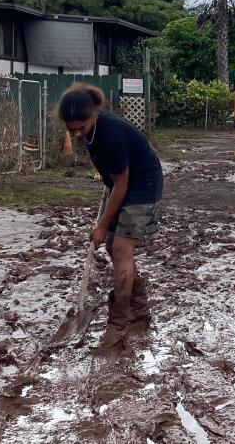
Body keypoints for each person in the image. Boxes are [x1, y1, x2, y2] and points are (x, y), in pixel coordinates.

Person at [59, 83, 163, 350]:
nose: (77, 134)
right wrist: (104, 223)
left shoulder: (111, 134)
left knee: (120, 250)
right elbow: (114, 181)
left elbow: (122, 185)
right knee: (111, 247)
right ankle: (139, 308)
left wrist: (102, 225)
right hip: (121, 184)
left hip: (143, 186)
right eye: (72, 129)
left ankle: (118, 324)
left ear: (93, 115)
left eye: (81, 128)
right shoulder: (91, 131)